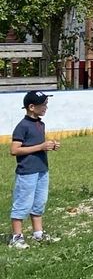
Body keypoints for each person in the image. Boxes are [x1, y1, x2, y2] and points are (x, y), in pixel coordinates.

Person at [10, 90, 58, 249]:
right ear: (31, 107)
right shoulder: (22, 126)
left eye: (46, 104)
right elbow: (14, 150)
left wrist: (49, 146)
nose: (45, 107)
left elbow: (37, 147)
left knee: (39, 203)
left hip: (42, 169)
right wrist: (41, 146)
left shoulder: (40, 123)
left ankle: (38, 234)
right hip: (27, 172)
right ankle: (16, 238)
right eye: (43, 105)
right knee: (23, 203)